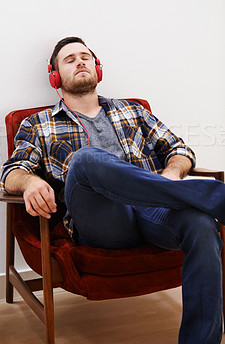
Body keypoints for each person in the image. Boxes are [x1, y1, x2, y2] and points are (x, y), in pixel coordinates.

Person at [1, 36, 225, 344]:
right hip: (101, 220)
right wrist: (30, 181)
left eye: (86, 57)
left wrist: (172, 174)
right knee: (86, 160)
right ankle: (216, 197)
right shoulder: (38, 124)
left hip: (153, 211)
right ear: (55, 76)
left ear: (98, 69)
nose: (80, 61)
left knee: (201, 224)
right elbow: (10, 173)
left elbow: (178, 149)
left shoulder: (133, 112)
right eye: (70, 59)